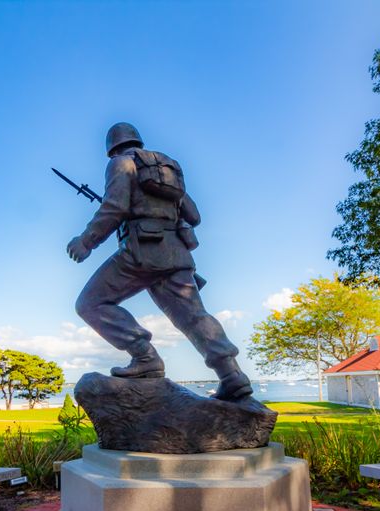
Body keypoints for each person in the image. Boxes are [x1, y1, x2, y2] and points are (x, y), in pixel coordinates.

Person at [66, 122, 252, 401]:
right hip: (176, 254)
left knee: (90, 304)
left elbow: (114, 207)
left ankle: (144, 356)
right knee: (194, 317)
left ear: (112, 147)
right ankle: (231, 374)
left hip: (140, 253)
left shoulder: (121, 163)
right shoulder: (168, 169)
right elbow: (194, 215)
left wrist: (86, 240)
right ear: (138, 141)